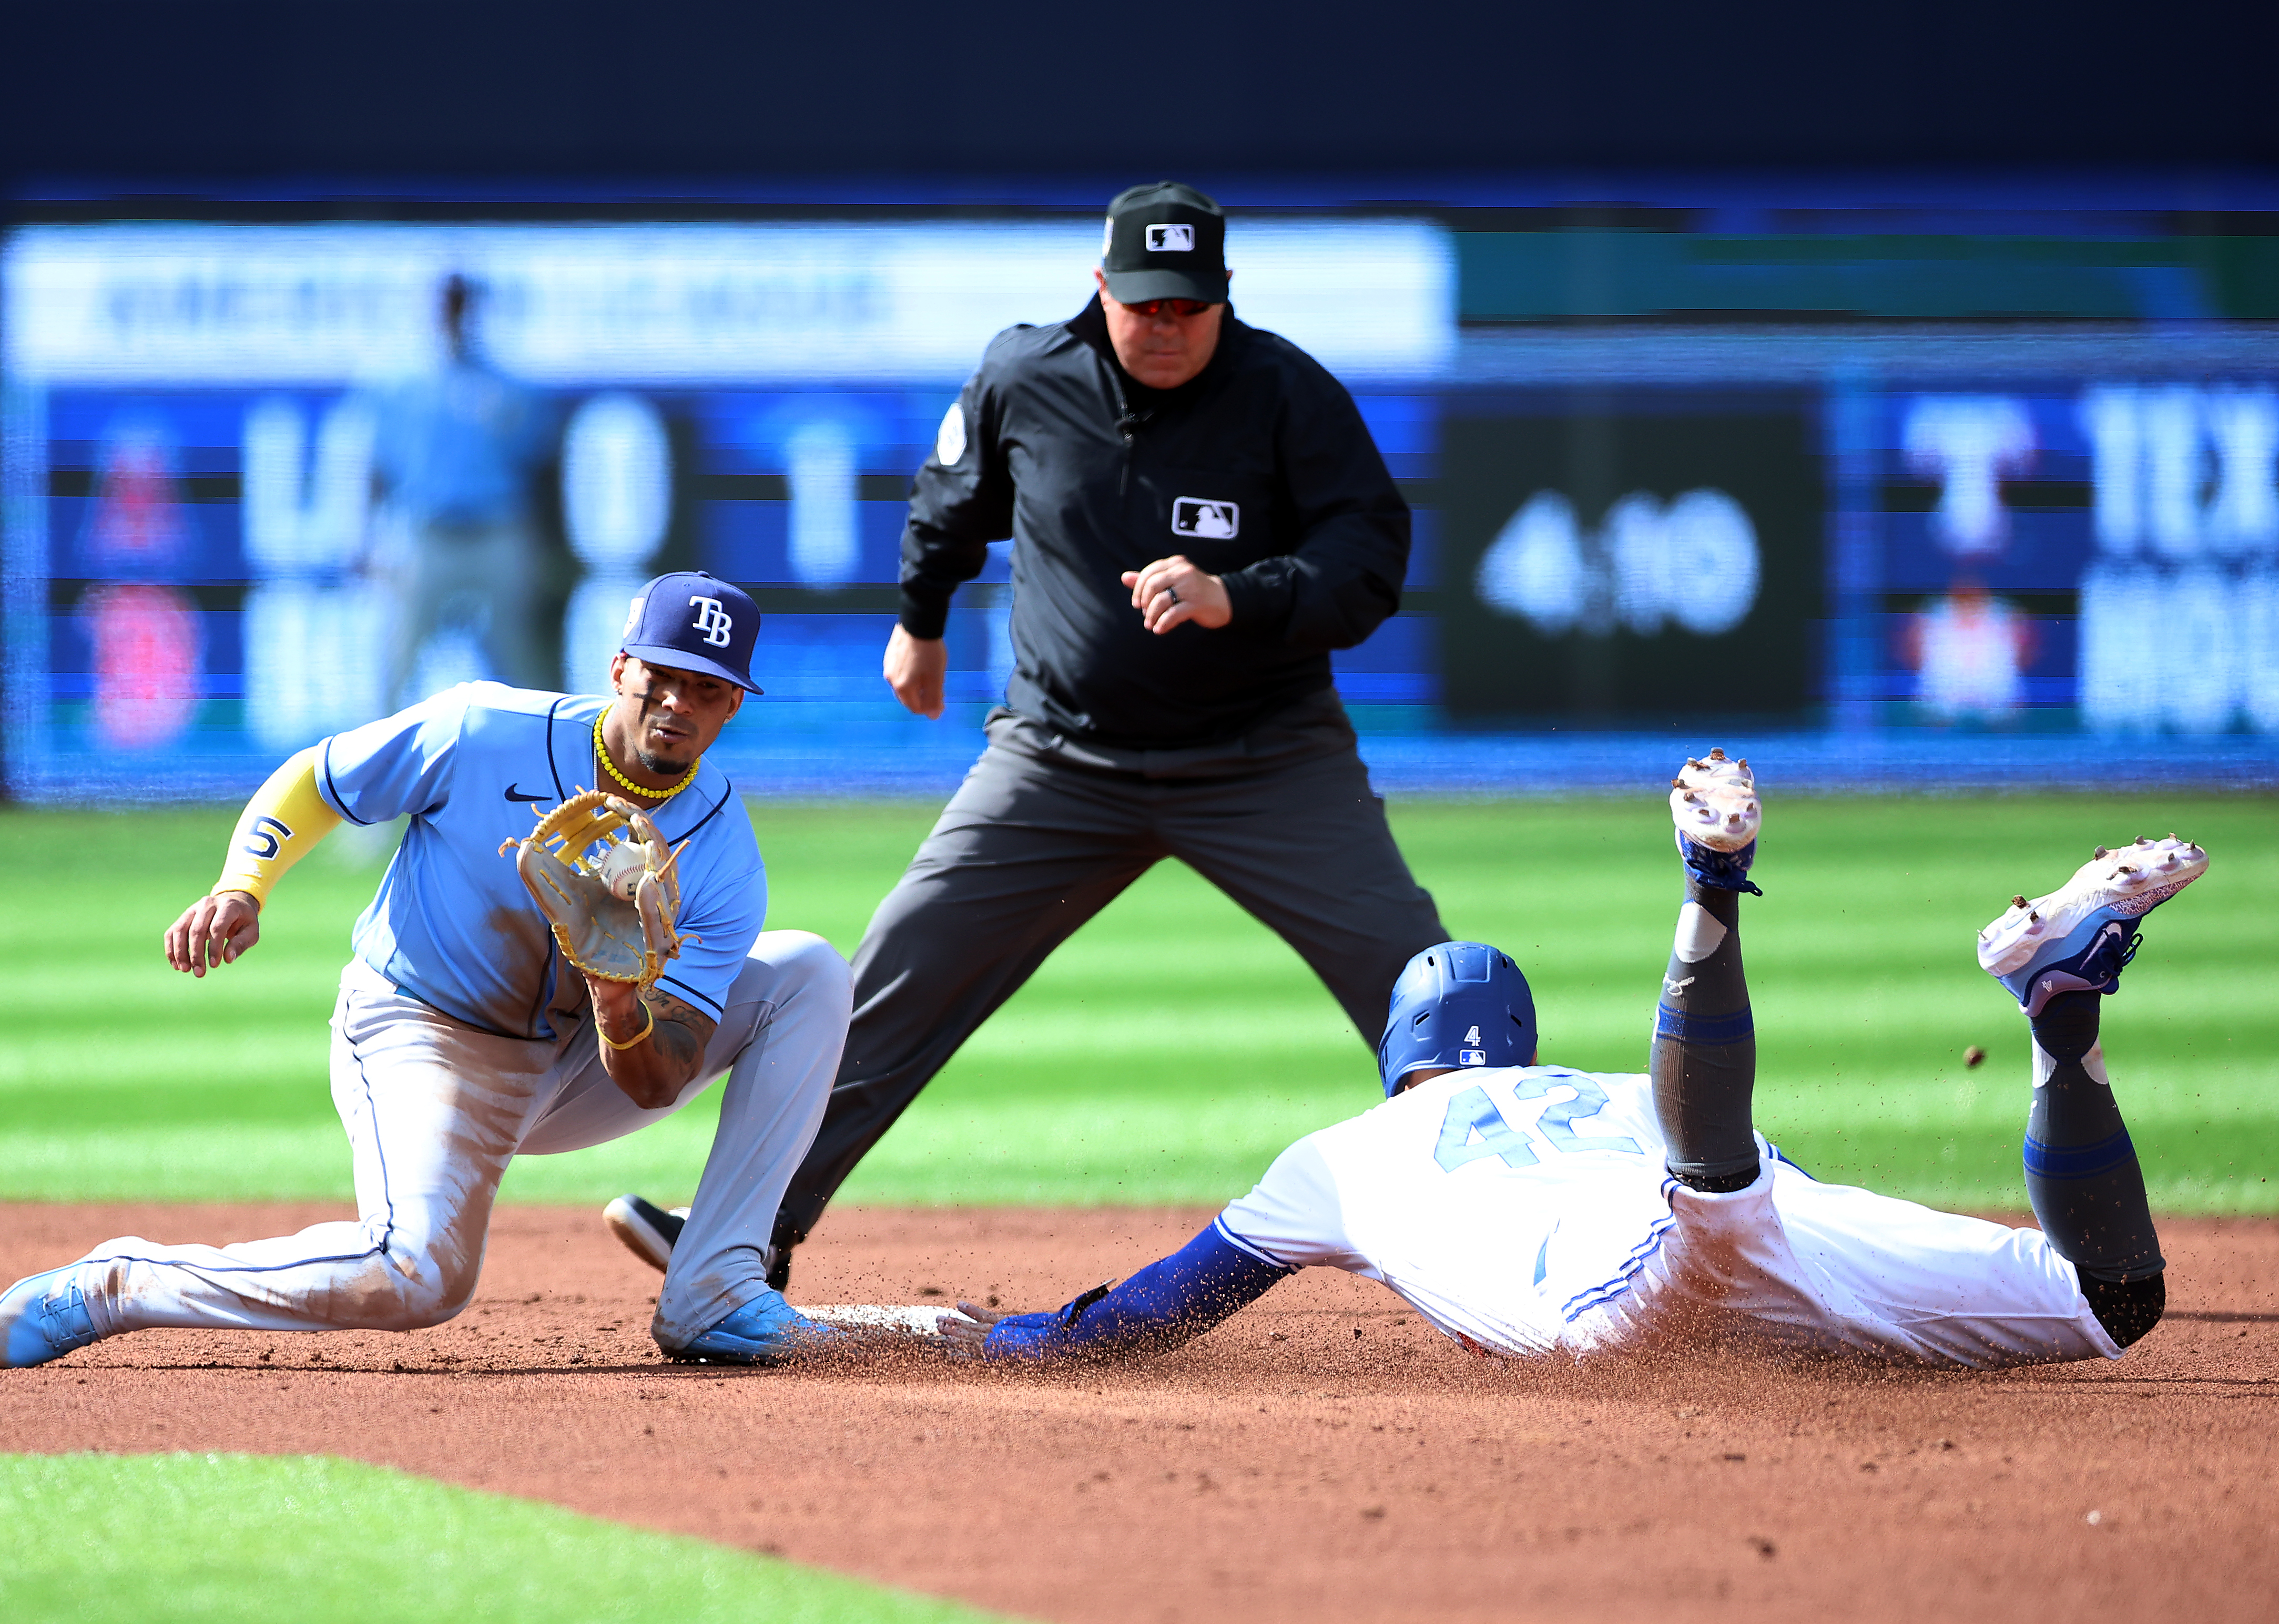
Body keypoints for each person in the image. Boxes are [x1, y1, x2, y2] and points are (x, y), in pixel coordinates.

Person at [602, 181, 1448, 1289]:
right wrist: (921, 622)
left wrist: (1242, 593)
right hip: (1059, 760)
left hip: (1264, 759)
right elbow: (951, 500)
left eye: (1187, 308)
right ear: (1102, 288)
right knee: (895, 975)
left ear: (1222, 299)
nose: (1163, 327)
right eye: (1143, 304)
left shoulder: (1288, 396)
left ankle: (1521, 1232)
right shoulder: (1027, 373)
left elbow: (1373, 558)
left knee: (1428, 984)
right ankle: (739, 1228)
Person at [931, 752, 2202, 1368]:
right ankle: (2058, 1021)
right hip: (1777, 1213)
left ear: (1399, 1059)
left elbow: (1155, 1313)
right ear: (1516, 1044)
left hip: (1622, 1290)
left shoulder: (1339, 1154)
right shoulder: (1603, 1087)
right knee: (2111, 1301)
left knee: (1715, 1197)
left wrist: (1009, 1339)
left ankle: (1711, 888)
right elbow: (1789, 1195)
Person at [0, 573, 854, 1370]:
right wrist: (243, 884)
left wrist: (619, 996)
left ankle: (716, 1289)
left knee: (805, 970)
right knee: (419, 1275)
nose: (676, 701)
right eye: (659, 673)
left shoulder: (724, 850)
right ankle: (120, 1282)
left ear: (733, 702)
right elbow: (317, 779)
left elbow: (658, 1078)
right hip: (421, 1029)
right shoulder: (482, 728)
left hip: (572, 1054)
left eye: (705, 686)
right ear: (620, 664)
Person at [373, 273, 562, 709]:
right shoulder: (401, 385)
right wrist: (372, 538)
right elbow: (379, 469)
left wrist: (547, 545)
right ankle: (374, 761)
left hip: (498, 531)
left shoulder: (510, 387)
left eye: (460, 303)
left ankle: (548, 749)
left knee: (521, 651)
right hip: (428, 533)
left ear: (474, 309)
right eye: (446, 303)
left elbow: (541, 470)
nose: (453, 313)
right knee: (400, 654)